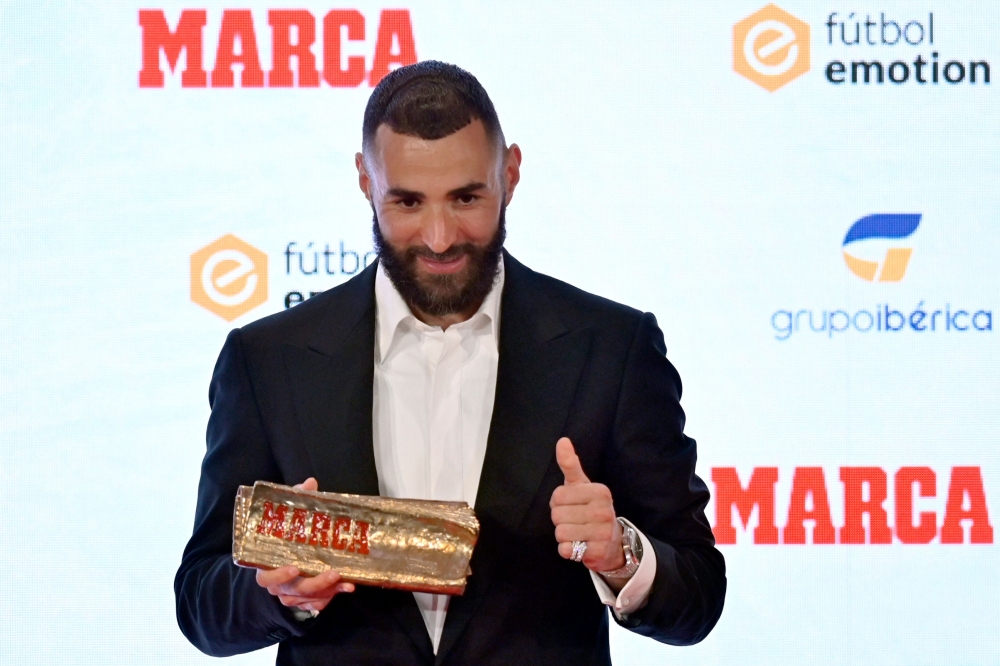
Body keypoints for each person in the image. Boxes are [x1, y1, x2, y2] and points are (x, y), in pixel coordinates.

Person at [175, 60, 725, 665]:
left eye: (466, 197)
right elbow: (201, 603)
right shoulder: (267, 359)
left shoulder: (613, 348)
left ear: (510, 173)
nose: (439, 237)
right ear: (366, 180)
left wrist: (621, 555)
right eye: (407, 202)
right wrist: (279, 595)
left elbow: (698, 596)